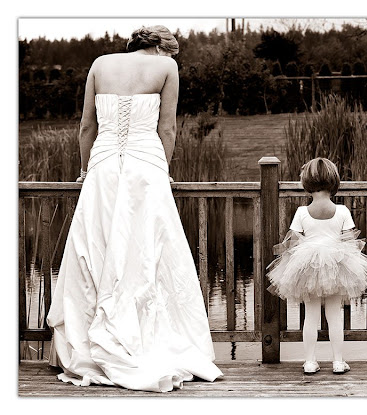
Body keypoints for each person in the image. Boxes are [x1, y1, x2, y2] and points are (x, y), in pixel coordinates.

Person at [46, 25, 223, 392]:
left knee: (93, 247)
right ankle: (144, 338)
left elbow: (86, 127)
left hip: (102, 168)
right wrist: (164, 169)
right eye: (171, 52)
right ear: (161, 48)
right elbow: (167, 128)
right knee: (148, 250)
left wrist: (85, 170)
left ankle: (88, 341)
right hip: (146, 168)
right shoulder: (166, 68)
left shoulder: (100, 64)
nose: (172, 58)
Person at [266, 158, 367, 374]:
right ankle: (338, 361)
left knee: (311, 316)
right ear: (333, 181)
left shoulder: (302, 212)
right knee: (335, 316)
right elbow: (350, 242)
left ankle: (309, 361)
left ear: (307, 182)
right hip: (336, 265)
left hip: (308, 266)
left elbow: (293, 242)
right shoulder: (342, 211)